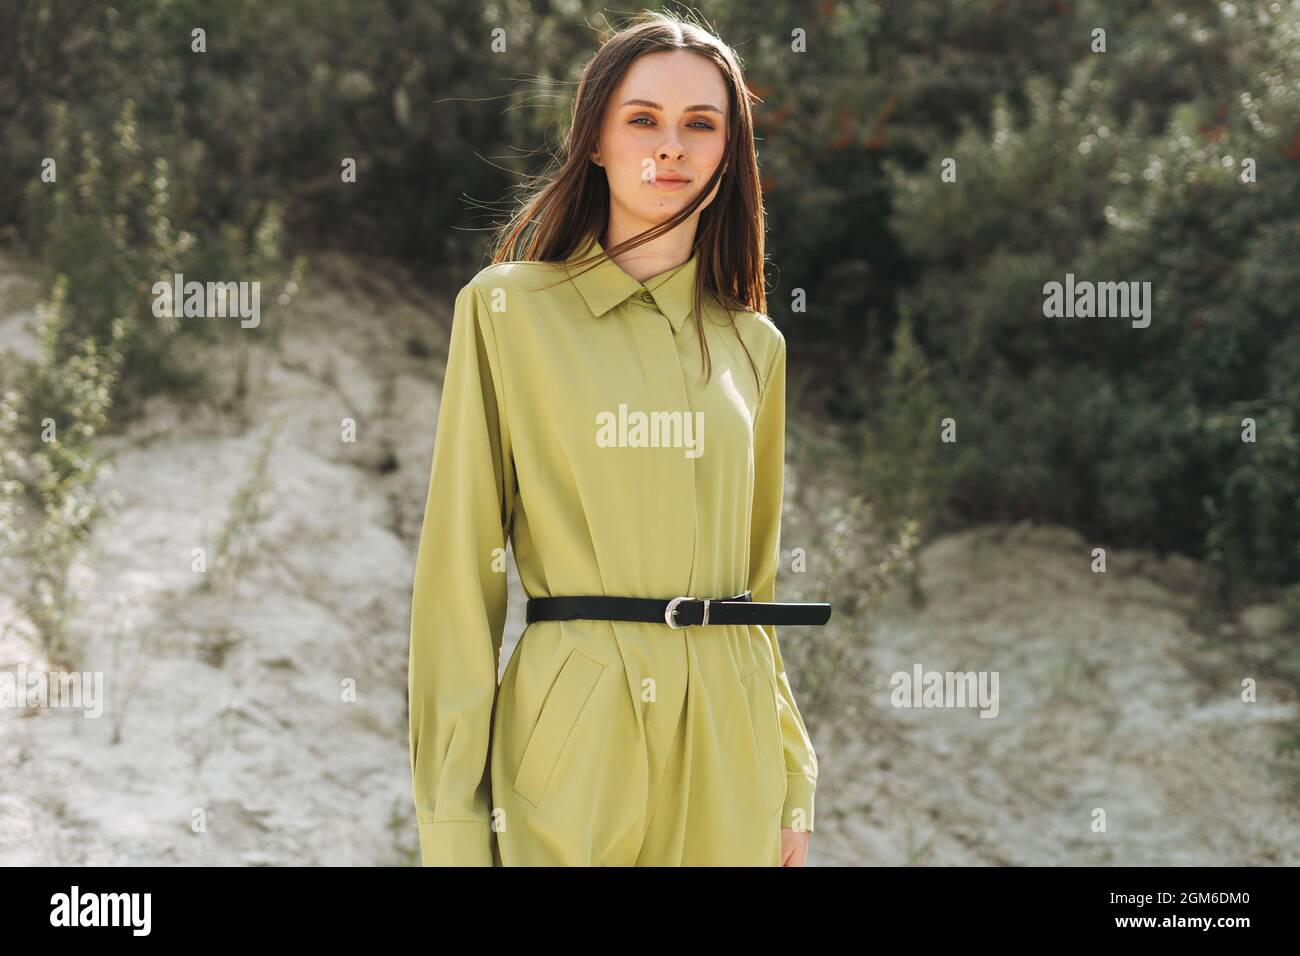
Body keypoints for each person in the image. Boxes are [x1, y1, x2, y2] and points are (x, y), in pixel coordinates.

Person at [408, 11, 827, 867]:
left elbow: (751, 586)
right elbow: (459, 579)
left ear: (727, 155)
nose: (671, 146)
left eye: (700, 125)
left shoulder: (755, 346)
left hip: (731, 738)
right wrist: (452, 821)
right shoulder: (505, 311)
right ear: (594, 139)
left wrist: (791, 774)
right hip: (574, 734)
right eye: (643, 119)